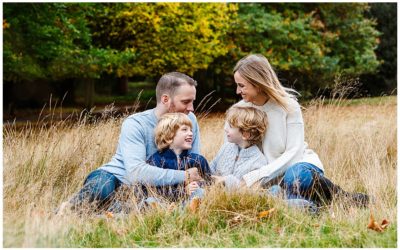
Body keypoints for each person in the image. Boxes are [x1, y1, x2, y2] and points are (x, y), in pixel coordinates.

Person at [231, 54, 370, 208]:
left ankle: (342, 198)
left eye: (241, 85)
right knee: (277, 192)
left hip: (297, 166)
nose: (237, 91)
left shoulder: (288, 106)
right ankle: (308, 208)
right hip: (268, 180)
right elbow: (233, 152)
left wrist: (256, 176)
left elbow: (294, 153)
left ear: (257, 83)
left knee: (296, 177)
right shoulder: (239, 110)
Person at [57, 72, 205, 214]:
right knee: (100, 189)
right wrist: (184, 176)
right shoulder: (136, 123)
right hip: (116, 177)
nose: (191, 108)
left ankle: (114, 212)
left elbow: (193, 164)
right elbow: (136, 172)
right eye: (185, 102)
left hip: (150, 188)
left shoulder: (190, 119)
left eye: (193, 101)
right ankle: (62, 213)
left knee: (153, 204)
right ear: (165, 99)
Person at [145, 112, 211, 201]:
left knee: (200, 192)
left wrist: (198, 184)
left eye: (191, 130)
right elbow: (152, 190)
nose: (191, 133)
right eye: (185, 129)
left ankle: (191, 209)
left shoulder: (197, 160)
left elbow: (209, 182)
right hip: (166, 204)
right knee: (151, 200)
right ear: (169, 135)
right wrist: (182, 191)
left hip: (190, 201)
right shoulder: (155, 160)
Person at [208, 106, 268, 191]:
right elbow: (212, 167)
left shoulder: (258, 161)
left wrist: (227, 180)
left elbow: (249, 191)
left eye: (231, 126)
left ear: (246, 134)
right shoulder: (226, 147)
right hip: (213, 193)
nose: (225, 129)